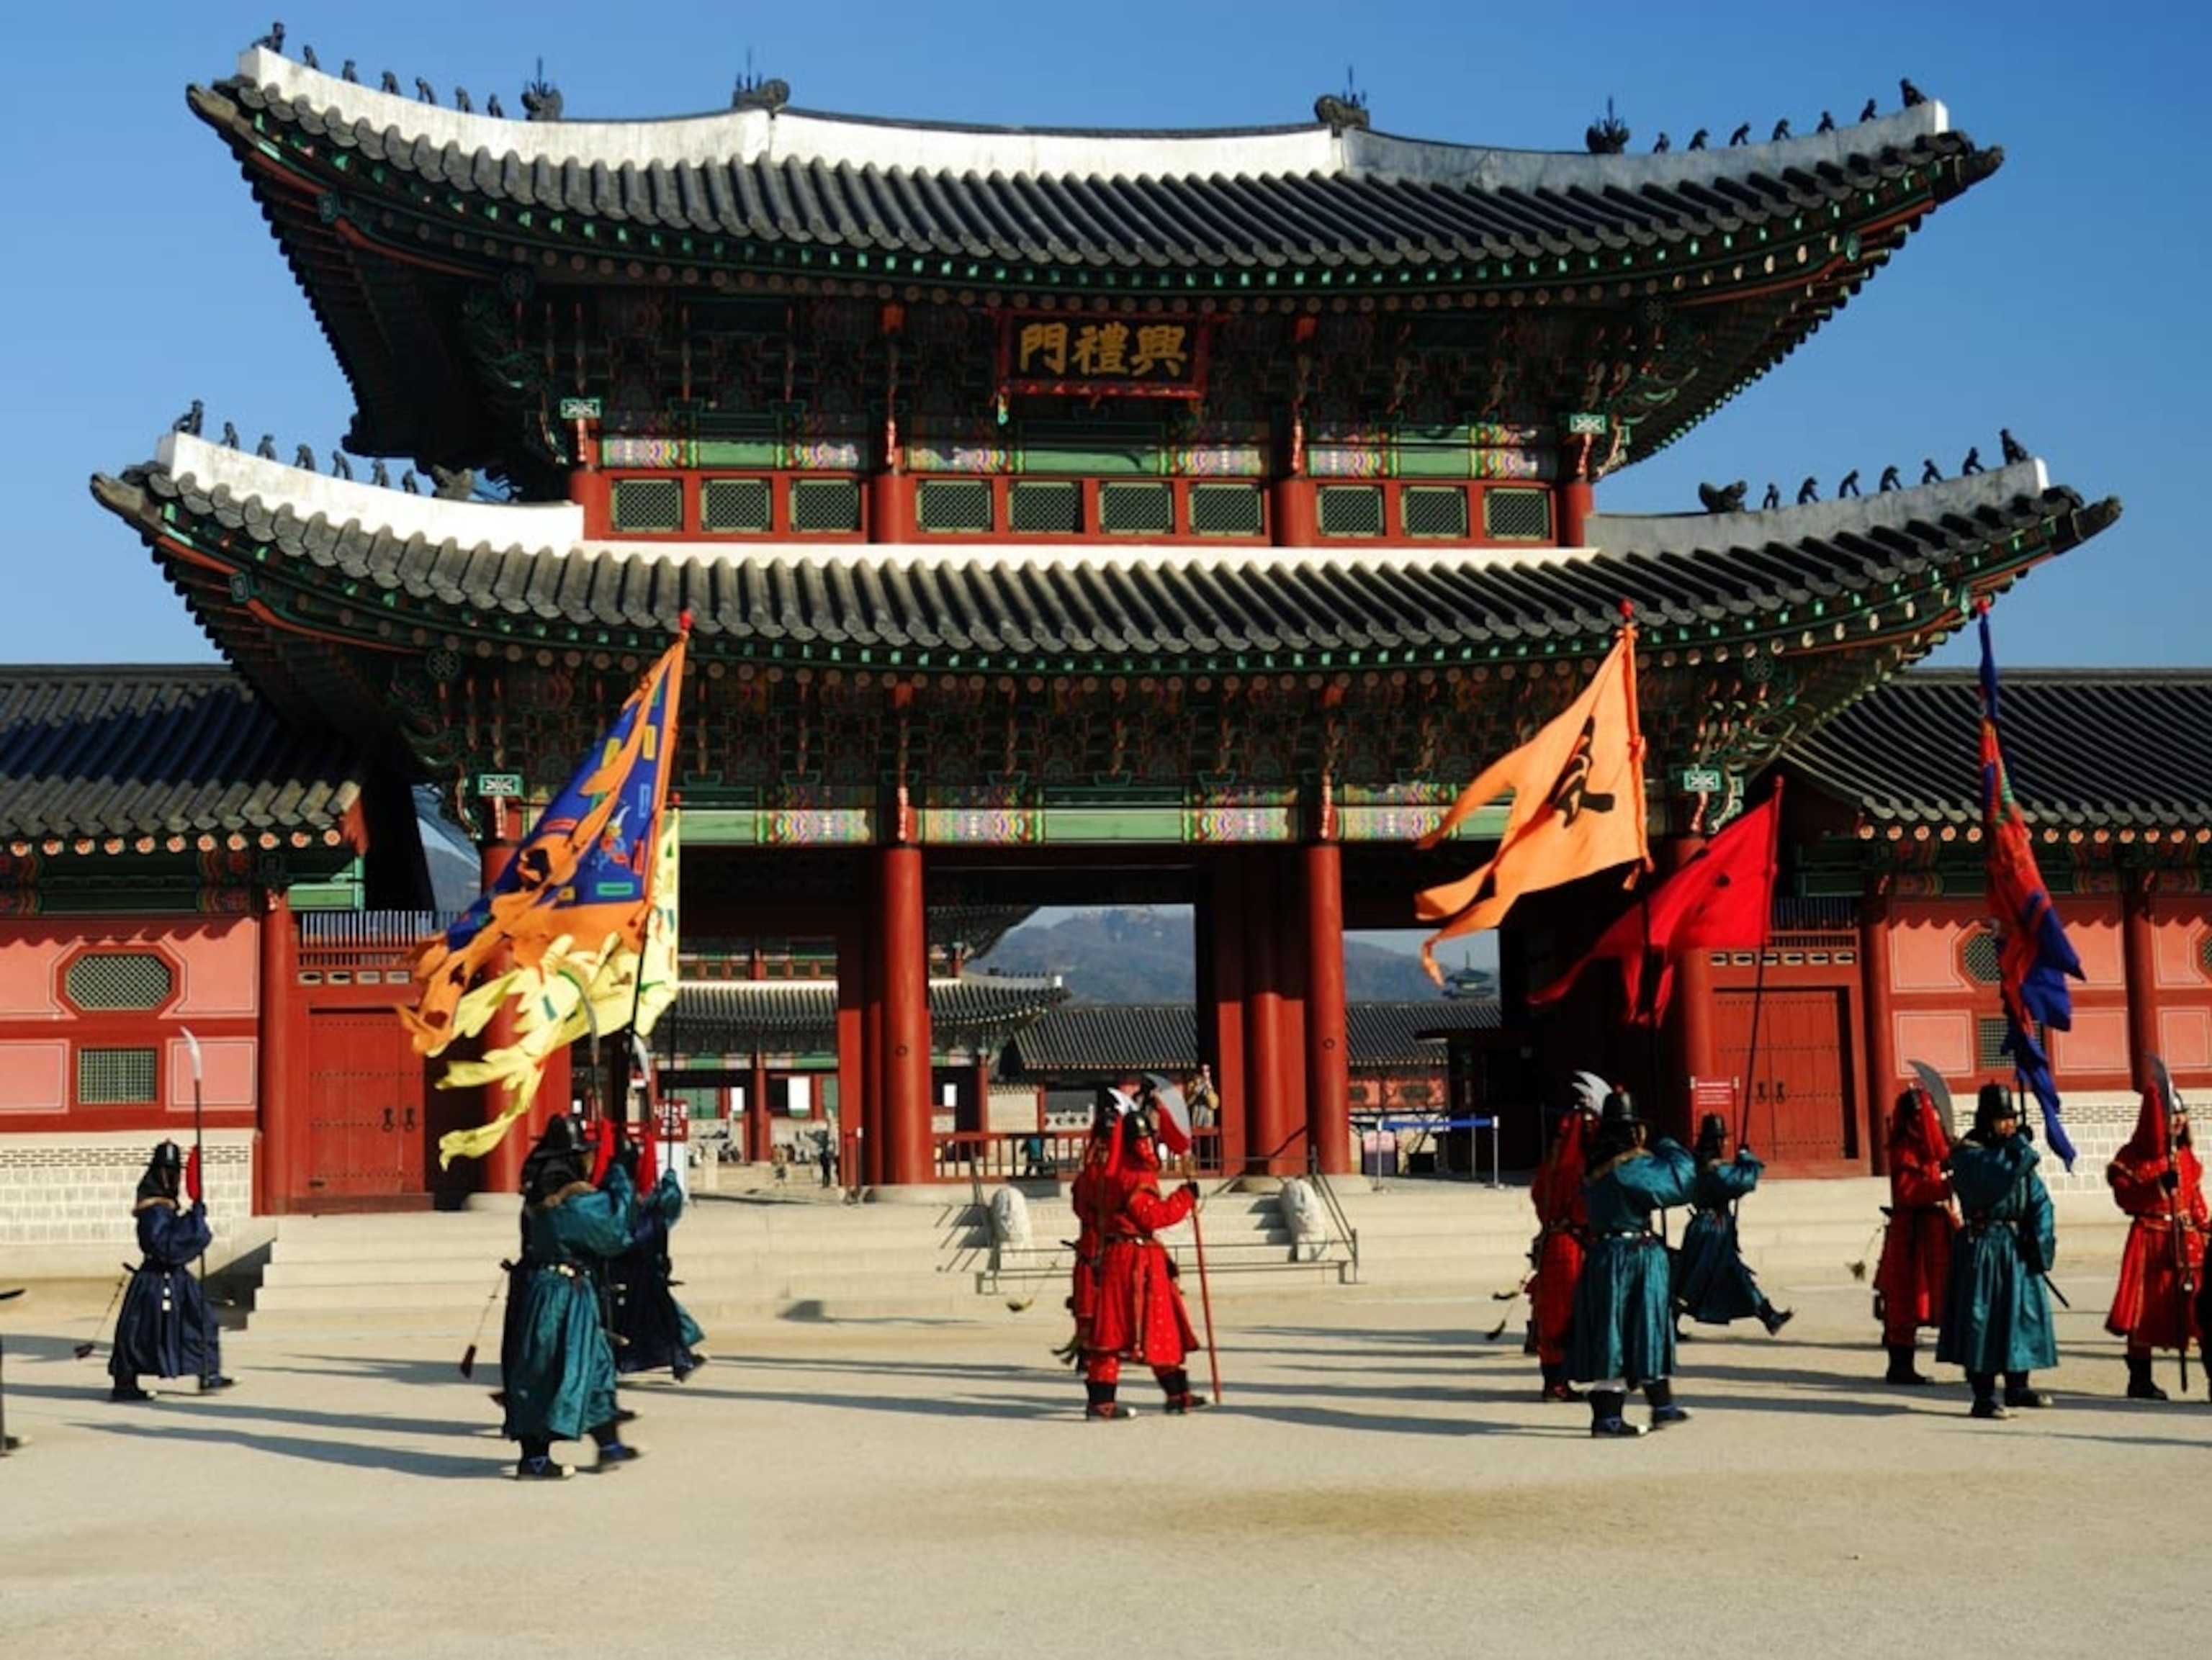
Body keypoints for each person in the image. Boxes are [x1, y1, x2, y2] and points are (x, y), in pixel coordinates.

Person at [499, 1116, 641, 1479]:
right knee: (544, 1371)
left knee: (591, 1366)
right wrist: (621, 1175)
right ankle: (534, 1459)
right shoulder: (568, 1199)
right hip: (557, 1296)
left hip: (548, 1289)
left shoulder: (539, 1193)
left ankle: (608, 1444)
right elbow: (613, 1232)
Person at [1068, 1080, 1207, 1419]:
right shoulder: (1132, 1176)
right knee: (1154, 1324)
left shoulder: (1095, 1176)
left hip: (1112, 1254)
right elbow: (1151, 1215)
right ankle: (1171, 1394)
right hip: (1136, 1260)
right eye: (1146, 1139)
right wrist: (1185, 1198)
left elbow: (1082, 1209)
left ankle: (1166, 1395)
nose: (1150, 1145)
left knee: (1115, 1328)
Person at [1568, 1091, 1697, 1436]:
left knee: (1614, 1330)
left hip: (1603, 1257)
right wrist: (1668, 1145)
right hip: (1635, 1258)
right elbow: (1681, 1181)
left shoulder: (1592, 1167)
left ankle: (1658, 1407)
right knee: (1644, 1327)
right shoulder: (1631, 1167)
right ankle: (1612, 1418)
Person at [1936, 1083, 2059, 1419]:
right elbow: (1993, 1182)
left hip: (2017, 1247)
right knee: (1984, 1320)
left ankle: (2018, 1385)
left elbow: (2039, 1199)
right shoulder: (1968, 1156)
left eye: (2012, 1119)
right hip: (1984, 1247)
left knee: (2021, 1315)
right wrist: (2018, 1147)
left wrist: (2041, 1240)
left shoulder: (2014, 1156)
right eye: (2002, 1120)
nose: (2009, 1126)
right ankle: (1984, 1394)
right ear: (1987, 1120)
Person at [108, 1140, 232, 1401]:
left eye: (175, 1171)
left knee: (201, 1321)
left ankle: (208, 1372)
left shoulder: (165, 1208)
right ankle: (125, 1382)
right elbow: (167, 1247)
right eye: (167, 1171)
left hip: (178, 1279)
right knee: (140, 1330)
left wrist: (192, 1217)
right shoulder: (152, 1211)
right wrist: (194, 1222)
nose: (173, 1178)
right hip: (155, 1279)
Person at [2103, 1082, 2203, 1401]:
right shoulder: (2133, 1157)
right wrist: (2158, 1186)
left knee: (2199, 1308)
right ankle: (2140, 1379)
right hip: (2150, 1241)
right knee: (2143, 1310)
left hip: (2187, 1241)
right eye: (2171, 1114)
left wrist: (2205, 1224)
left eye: (2181, 1113)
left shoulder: (2185, 1155)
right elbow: (2127, 1199)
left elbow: (2194, 1199)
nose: (2178, 1120)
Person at [1673, 1113, 1793, 1336]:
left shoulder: (1695, 1165)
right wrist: (1746, 1157)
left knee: (1731, 1273)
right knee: (1694, 1278)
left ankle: (1768, 1316)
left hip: (1703, 1226)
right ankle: (1670, 1324)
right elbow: (1743, 1181)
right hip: (1713, 1230)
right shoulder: (1715, 1169)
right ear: (1718, 1141)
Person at [1872, 1083, 1959, 1385]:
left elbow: (1940, 1160)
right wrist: (1947, 1186)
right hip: (1912, 1233)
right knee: (1906, 1297)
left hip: (1931, 1229)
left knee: (1945, 1294)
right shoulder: (1906, 1148)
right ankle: (1900, 1366)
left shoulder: (1923, 1145)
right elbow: (1908, 1192)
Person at [608, 1133, 708, 1383]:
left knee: (658, 1316)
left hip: (623, 1267)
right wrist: (671, 1186)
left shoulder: (608, 1192)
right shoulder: (640, 1199)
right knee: (663, 1316)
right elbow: (667, 1212)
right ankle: (678, 1360)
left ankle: (680, 1359)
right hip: (637, 1268)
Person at [1527, 1073, 1599, 1402]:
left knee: (1552, 1310)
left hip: (1552, 1240)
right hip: (1575, 1245)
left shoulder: (1551, 1169)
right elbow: (1588, 1210)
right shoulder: (1581, 1171)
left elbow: (1538, 1195)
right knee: (1572, 1310)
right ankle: (1564, 1380)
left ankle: (1553, 1380)